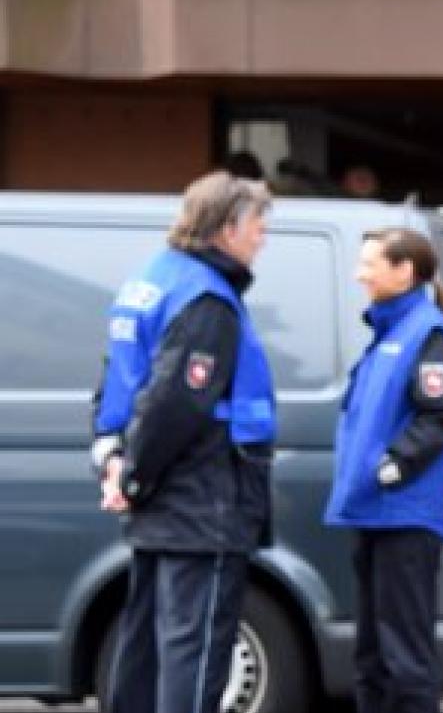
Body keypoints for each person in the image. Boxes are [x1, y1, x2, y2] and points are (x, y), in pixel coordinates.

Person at [91, 171, 276, 713]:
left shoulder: (152, 280)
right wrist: (133, 476)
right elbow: (176, 402)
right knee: (193, 654)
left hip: (163, 501)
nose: (263, 237)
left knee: (146, 647)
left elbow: (117, 379)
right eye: (258, 225)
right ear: (227, 228)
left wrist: (114, 458)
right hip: (204, 502)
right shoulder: (207, 300)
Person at [324, 228, 443, 713]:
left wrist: (392, 467)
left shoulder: (426, 333)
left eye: (370, 264)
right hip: (373, 510)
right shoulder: (390, 331)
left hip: (403, 514)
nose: (359, 274)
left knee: (405, 658)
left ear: (404, 272)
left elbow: (438, 417)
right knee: (372, 657)